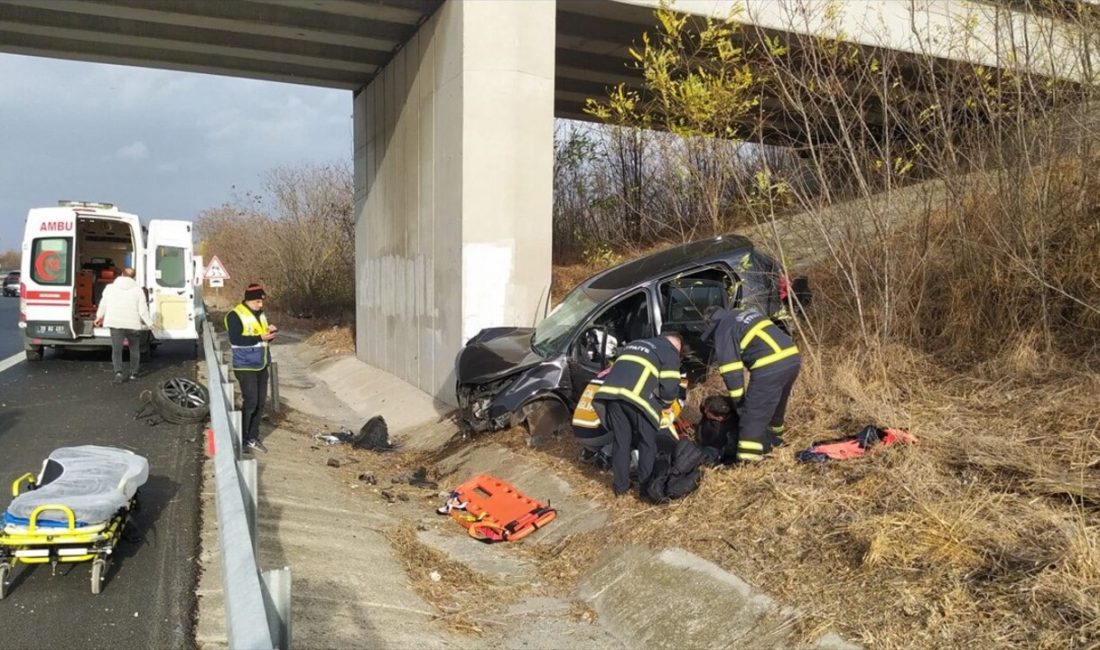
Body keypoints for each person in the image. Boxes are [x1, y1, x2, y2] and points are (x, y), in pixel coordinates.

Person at [702, 306, 800, 463]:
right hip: (791, 358)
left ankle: (749, 462)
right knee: (775, 405)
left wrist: (739, 403)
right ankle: (775, 440)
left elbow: (731, 371)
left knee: (752, 416)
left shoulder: (723, 329)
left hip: (769, 364)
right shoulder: (739, 315)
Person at [591, 332, 683, 496]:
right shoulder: (669, 351)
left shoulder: (635, 343)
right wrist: (667, 406)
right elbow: (669, 388)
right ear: (676, 346)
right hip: (637, 400)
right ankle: (645, 490)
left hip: (611, 396)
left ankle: (621, 488)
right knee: (647, 443)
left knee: (621, 442)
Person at [572, 366, 687, 469]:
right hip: (597, 433)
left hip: (579, 429)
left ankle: (592, 450)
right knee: (638, 420)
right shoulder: (634, 378)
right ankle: (608, 453)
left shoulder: (612, 371)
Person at [225, 283, 278, 453]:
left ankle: (253, 437)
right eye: (257, 302)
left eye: (262, 302)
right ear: (248, 300)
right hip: (245, 364)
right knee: (251, 402)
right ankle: (242, 437)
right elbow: (236, 340)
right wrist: (259, 337)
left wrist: (270, 335)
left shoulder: (260, 315)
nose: (261, 305)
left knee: (260, 403)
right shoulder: (235, 315)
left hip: (261, 364)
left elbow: (262, 339)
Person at [94, 267, 153, 384]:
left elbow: (103, 305)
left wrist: (98, 317)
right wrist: (150, 323)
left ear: (121, 274)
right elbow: (143, 310)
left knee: (117, 350)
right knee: (134, 349)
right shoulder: (138, 290)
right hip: (132, 324)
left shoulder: (110, 288)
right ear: (134, 277)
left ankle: (119, 373)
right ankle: (134, 373)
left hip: (115, 323)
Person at [695, 394, 739, 465]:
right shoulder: (709, 415)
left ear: (720, 417)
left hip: (714, 452)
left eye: (707, 411)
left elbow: (729, 451)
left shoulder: (730, 430)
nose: (705, 411)